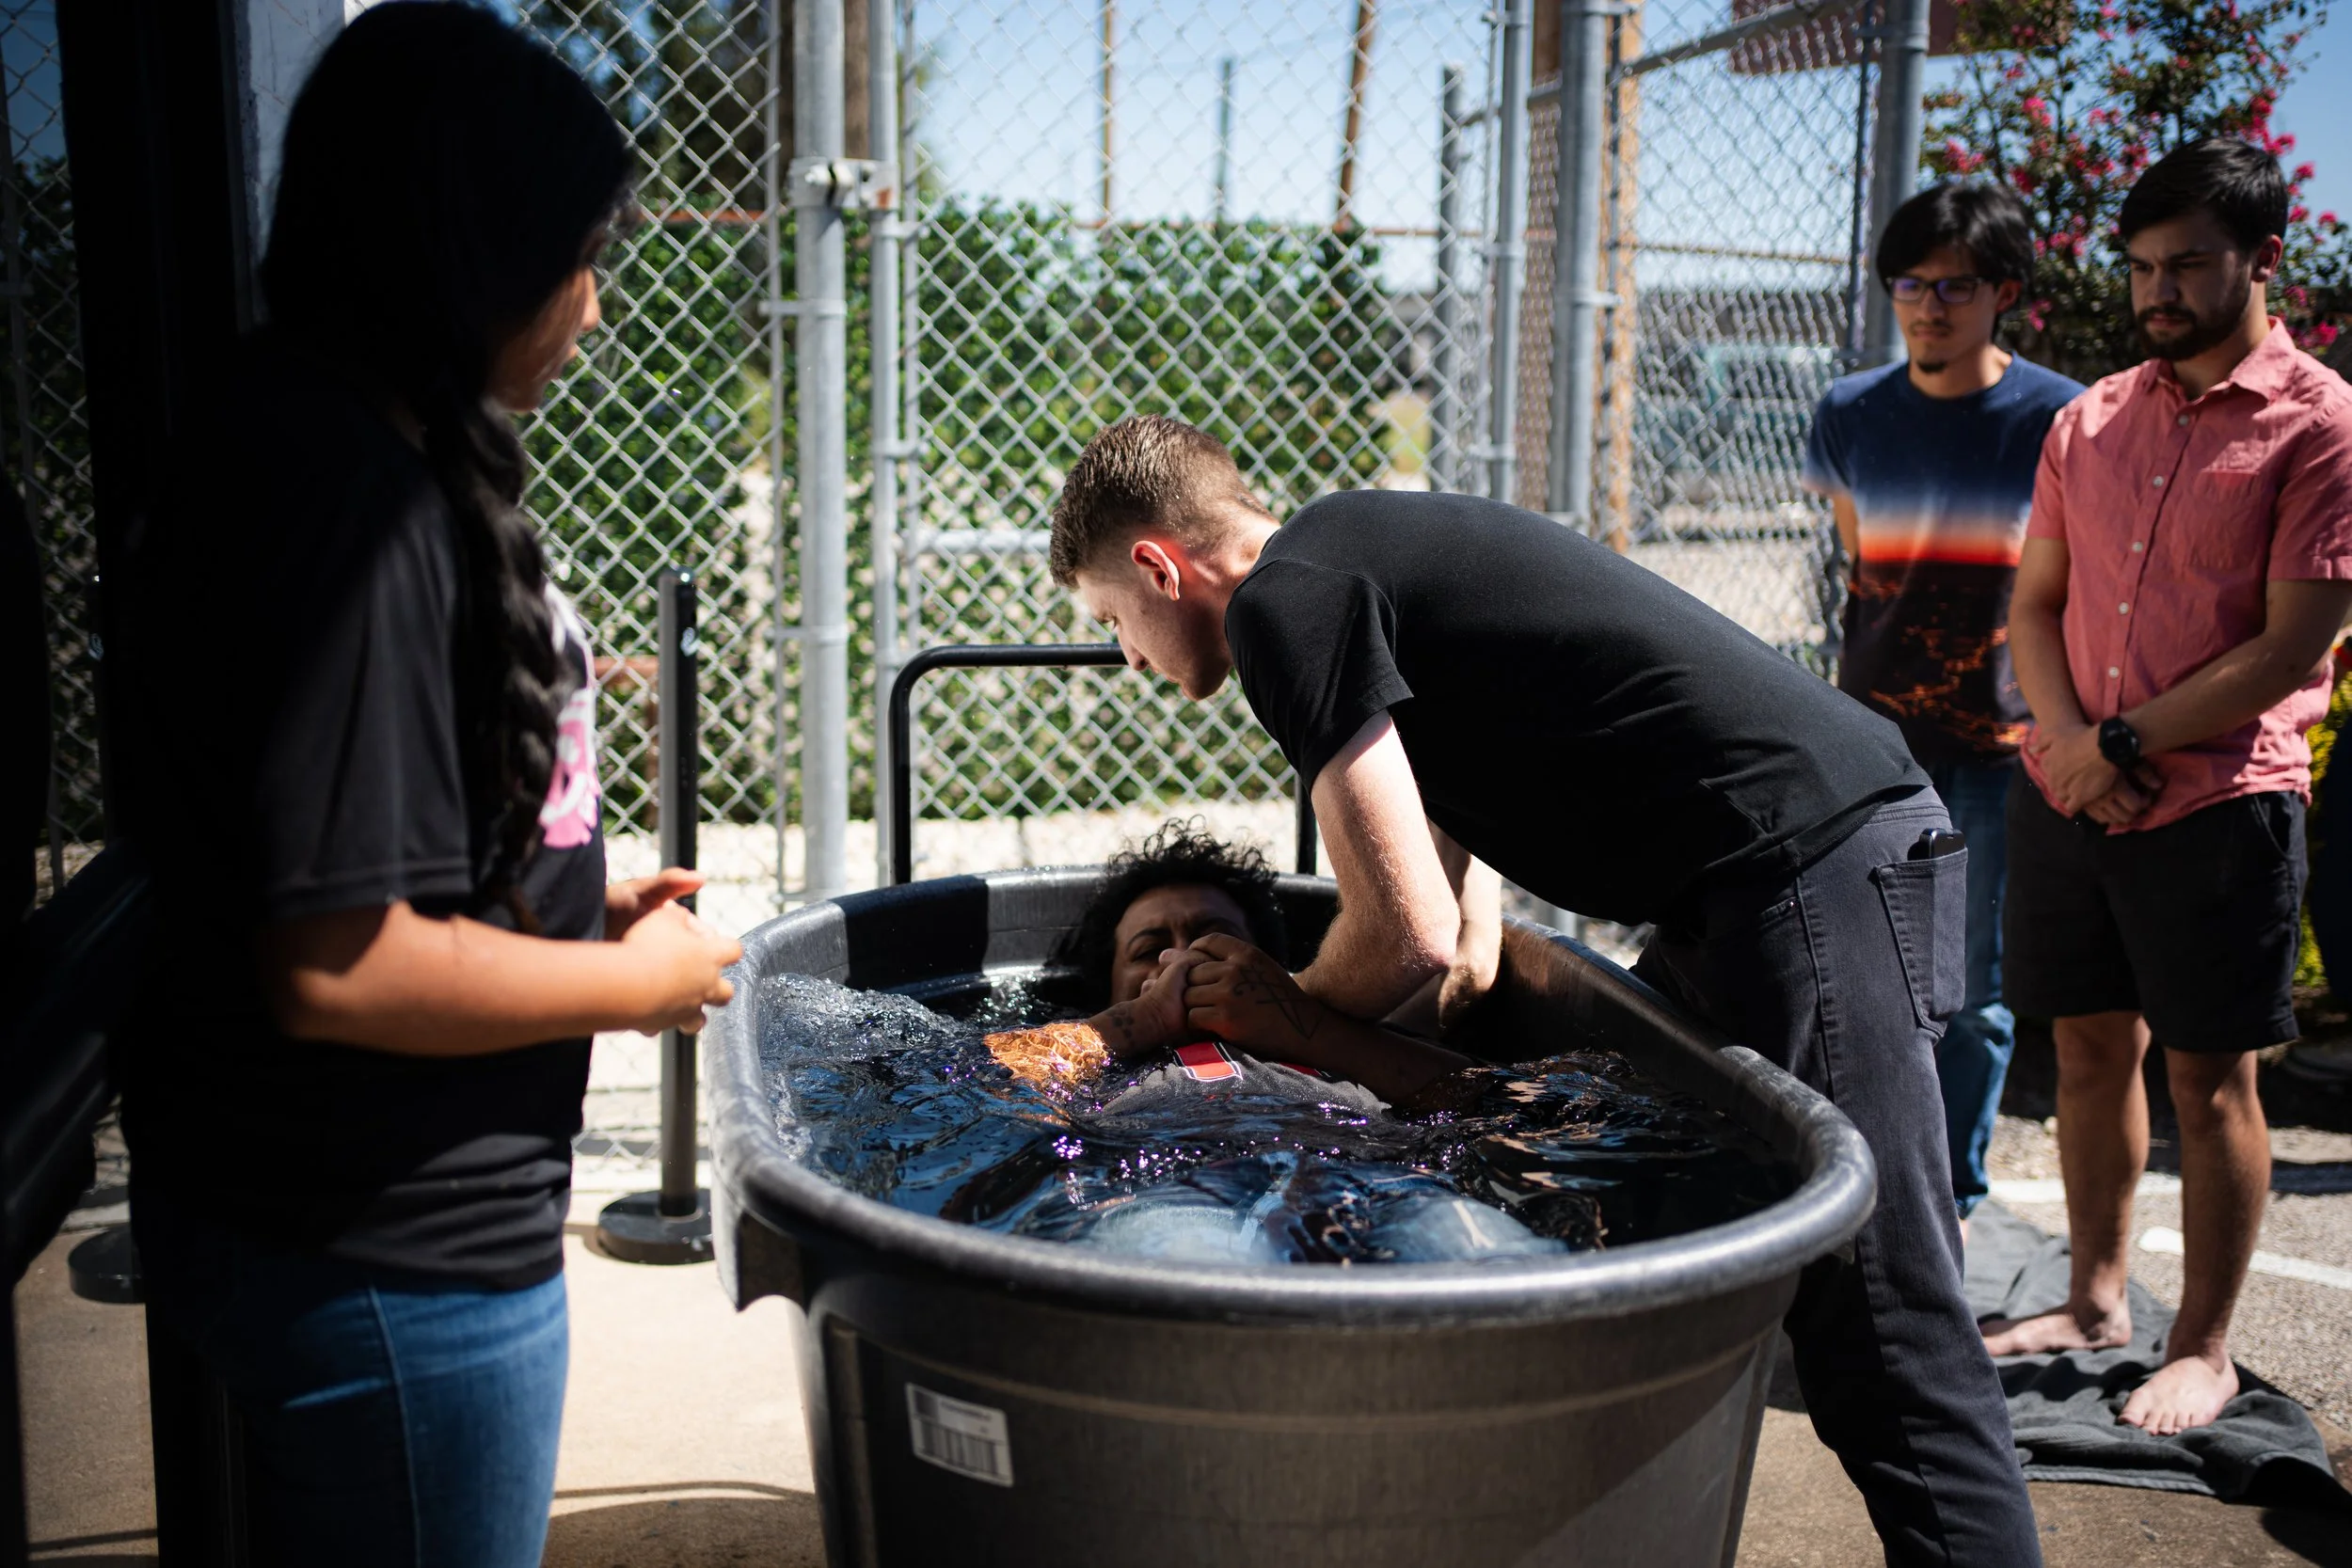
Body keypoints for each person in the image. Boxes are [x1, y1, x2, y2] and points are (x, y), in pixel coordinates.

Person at [1047, 417, 2042, 1565]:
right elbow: (1459, 943)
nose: (1127, 654)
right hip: (1761, 886)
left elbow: (1404, 935)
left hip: (1806, 864)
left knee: (1881, 1326)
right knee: (1636, 1160)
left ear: (1160, 567)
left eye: (1112, 620)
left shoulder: (1283, 603)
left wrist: (1286, 1014)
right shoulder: (1357, 564)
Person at [110, 8, 740, 1565]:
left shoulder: (296, 437)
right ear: (469, 247)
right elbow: (340, 959)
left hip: (324, 1221)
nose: (592, 305)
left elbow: (339, 840)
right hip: (394, 1264)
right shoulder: (353, 503)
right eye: (581, 252)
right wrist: (627, 986)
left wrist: (574, 901)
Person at [1982, 136, 2352, 1435]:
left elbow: (2293, 641)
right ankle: (2093, 1298)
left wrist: (2117, 744)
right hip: (2072, 784)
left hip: (2220, 804)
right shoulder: (2088, 417)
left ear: (2264, 258)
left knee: (2212, 1081)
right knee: (2087, 1049)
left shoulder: (2324, 423)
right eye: (2142, 266)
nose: (2158, 290)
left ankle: (2203, 1344)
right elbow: (2036, 602)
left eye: (2188, 263)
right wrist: (2073, 742)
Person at [1804, 182, 2085, 1227]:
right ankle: (1871, 1183)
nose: (1926, 305)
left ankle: (1951, 1205)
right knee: (1867, 979)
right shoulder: (1849, 412)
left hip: (2003, 743)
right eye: (1908, 284)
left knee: (1969, 997)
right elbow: (1859, 558)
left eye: (1953, 286)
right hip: (1867, 742)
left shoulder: (2059, 416)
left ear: (2003, 290)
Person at [977, 820, 1556, 1265]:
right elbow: (975, 1080)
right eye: (1150, 947)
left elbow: (1483, 1079)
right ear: (1109, 987)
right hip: (1174, 1191)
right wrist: (1145, 1020)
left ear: (1264, 965)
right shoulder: (1085, 1048)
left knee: (1488, 1258)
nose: (1181, 956)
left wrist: (1296, 1022)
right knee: (1196, 1269)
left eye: (1213, 938)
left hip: (1380, 1180)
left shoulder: (1332, 1029)